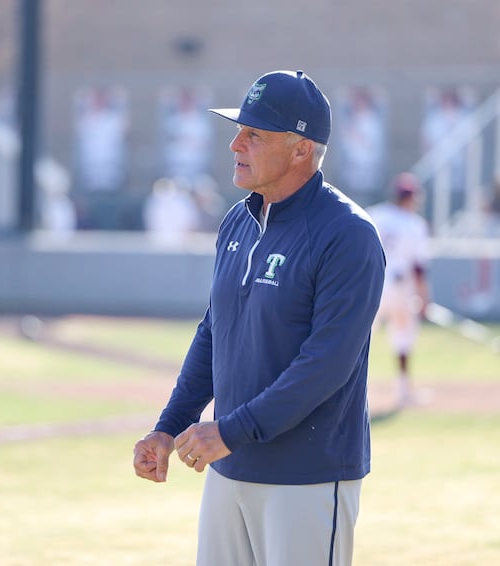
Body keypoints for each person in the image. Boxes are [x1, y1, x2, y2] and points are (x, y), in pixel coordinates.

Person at [132, 70, 386, 566]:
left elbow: (326, 366)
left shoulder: (347, 234)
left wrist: (228, 431)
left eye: (255, 134)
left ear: (300, 150)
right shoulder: (237, 220)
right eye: (238, 129)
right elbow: (214, 332)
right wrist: (171, 425)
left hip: (307, 476)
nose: (234, 144)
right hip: (229, 471)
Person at [368, 173, 430, 406]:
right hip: (400, 287)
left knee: (360, 338)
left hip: (372, 284)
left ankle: (351, 390)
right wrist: (424, 298)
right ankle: (403, 390)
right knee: (403, 338)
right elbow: (419, 267)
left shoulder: (375, 214)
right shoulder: (415, 224)